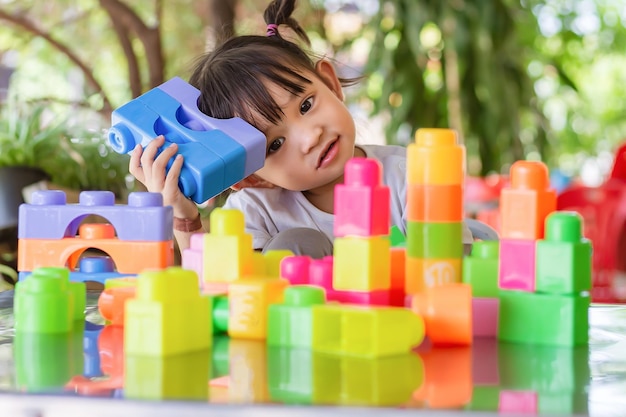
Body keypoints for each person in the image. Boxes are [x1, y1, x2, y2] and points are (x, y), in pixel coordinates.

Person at [129, 0, 475, 259]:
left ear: (330, 83)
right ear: (250, 176)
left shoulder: (411, 175)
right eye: (275, 144)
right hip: (301, 345)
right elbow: (220, 290)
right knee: (296, 243)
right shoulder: (255, 209)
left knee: (479, 238)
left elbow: (446, 277)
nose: (310, 138)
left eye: (306, 105)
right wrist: (183, 215)